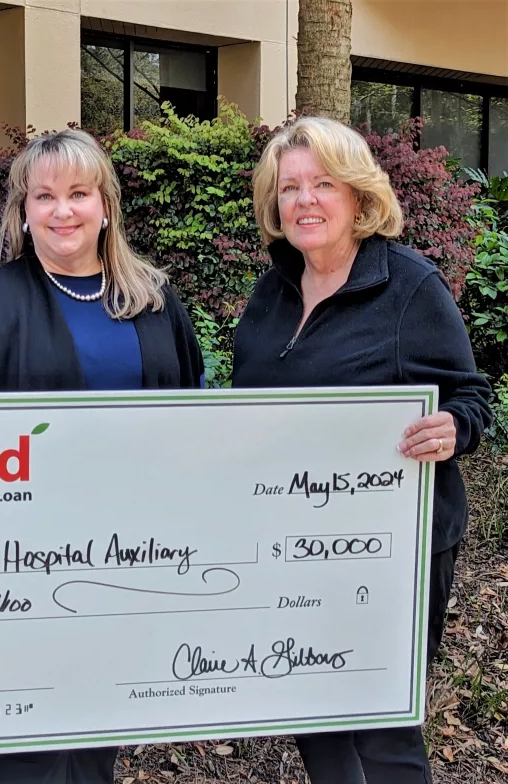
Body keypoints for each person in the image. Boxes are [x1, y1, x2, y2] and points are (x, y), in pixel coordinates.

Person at [0, 128, 202, 782]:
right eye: (44, 195)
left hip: (129, 563)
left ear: (105, 204)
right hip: (18, 571)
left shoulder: (156, 301)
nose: (62, 210)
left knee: (95, 737)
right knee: (26, 750)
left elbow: (195, 430)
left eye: (79, 193)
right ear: (23, 210)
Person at [232, 116, 492, 784]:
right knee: (312, 708)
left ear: (358, 197)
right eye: (290, 188)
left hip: (390, 548)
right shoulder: (272, 291)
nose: (306, 200)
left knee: (382, 724)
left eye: (323, 184)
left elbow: (471, 395)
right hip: (290, 542)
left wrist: (454, 429)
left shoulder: (408, 287)